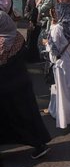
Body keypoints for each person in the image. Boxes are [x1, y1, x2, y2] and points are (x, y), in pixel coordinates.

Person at [0, 11, 51, 159]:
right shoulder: (16, 37)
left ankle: (39, 145)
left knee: (19, 119)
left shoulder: (3, 45)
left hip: (10, 90)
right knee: (25, 118)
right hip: (20, 87)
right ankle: (39, 144)